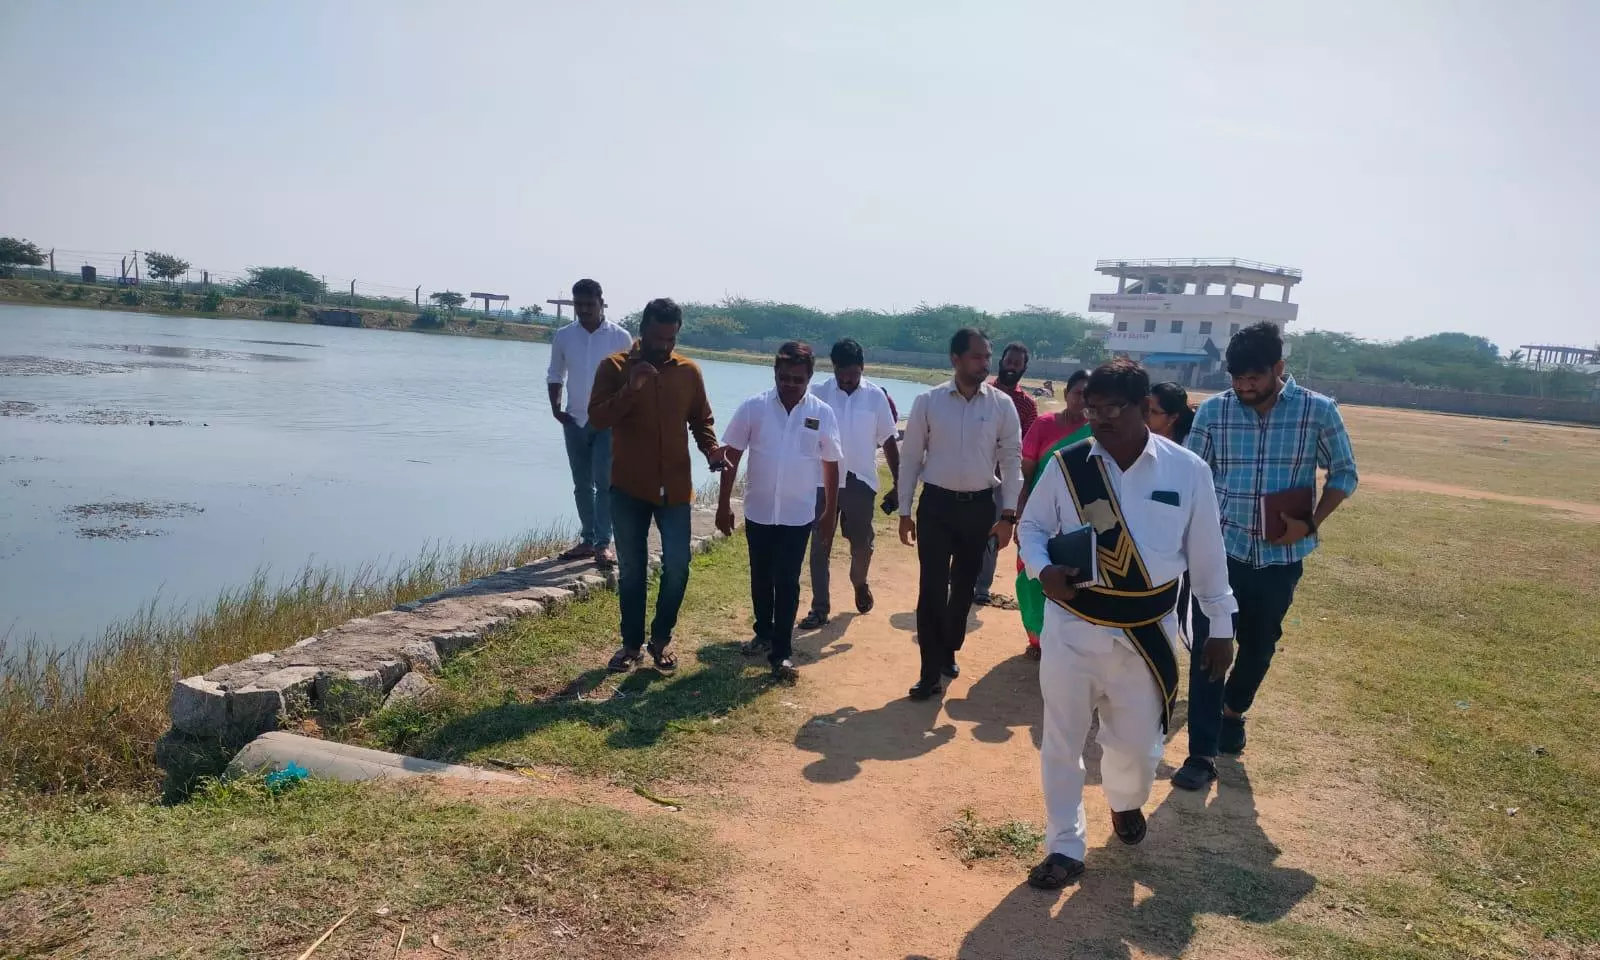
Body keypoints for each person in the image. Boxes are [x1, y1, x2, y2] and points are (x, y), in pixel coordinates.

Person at [1017, 359, 1237, 888]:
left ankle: (1124, 801)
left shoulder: (1187, 471)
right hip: (1072, 627)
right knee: (1062, 742)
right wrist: (1043, 569)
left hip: (1146, 634)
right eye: (1091, 409)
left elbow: (1207, 556)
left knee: (1137, 747)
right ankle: (1065, 845)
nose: (1097, 419)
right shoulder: (1069, 466)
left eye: (1111, 409)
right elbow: (1032, 527)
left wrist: (1222, 626)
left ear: (1145, 409)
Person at [1171, 322, 1359, 792]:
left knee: (1260, 645)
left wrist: (1311, 522)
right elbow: (1190, 477)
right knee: (1211, 648)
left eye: (1254, 377)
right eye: (1236, 378)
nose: (1243, 386)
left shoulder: (1318, 412)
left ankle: (1234, 710)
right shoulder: (1214, 413)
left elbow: (1344, 473)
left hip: (1281, 556)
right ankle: (1201, 752)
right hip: (1221, 553)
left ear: (1279, 368)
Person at [589, 298, 722, 674]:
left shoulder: (689, 372)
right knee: (632, 571)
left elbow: (701, 421)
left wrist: (711, 450)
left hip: (676, 489)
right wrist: (631, 388)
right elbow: (598, 418)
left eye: (671, 338)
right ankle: (630, 644)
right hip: (628, 488)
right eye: (658, 337)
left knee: (678, 566)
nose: (665, 345)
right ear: (643, 329)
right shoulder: (613, 367)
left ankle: (661, 640)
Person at [896, 328, 1023, 700]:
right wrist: (905, 510)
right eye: (977, 356)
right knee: (931, 589)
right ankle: (928, 670)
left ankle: (949, 646)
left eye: (987, 356)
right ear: (956, 359)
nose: (985, 363)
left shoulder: (1001, 405)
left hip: (979, 508)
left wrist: (1009, 516)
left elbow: (1011, 460)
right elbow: (910, 459)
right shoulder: (928, 401)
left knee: (964, 587)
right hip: (936, 506)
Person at [717, 342, 843, 681]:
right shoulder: (753, 407)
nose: (790, 384)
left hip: (797, 514)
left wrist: (830, 511)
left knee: (787, 579)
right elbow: (731, 456)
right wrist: (723, 504)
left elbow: (831, 463)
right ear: (775, 373)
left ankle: (782, 651)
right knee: (761, 575)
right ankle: (763, 630)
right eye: (784, 377)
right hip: (758, 510)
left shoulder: (821, 413)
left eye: (797, 379)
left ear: (809, 378)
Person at [798, 338, 900, 629]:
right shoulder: (817, 395)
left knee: (861, 544)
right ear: (833, 368)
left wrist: (898, 482)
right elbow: (805, 440)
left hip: (860, 481)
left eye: (852, 374)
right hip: (820, 481)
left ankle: (859, 582)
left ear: (862, 368)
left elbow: (889, 441)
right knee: (820, 544)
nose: (846, 380)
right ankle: (820, 608)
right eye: (841, 374)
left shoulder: (875, 397)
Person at [546, 278, 635, 567]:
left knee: (605, 483)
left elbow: (631, 381)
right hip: (574, 419)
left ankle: (602, 544)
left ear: (601, 303)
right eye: (579, 304)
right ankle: (586, 540)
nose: (584, 309)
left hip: (607, 421)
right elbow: (555, 374)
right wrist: (555, 408)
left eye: (589, 304)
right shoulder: (564, 336)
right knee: (581, 484)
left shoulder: (620, 337)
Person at [1012, 369, 1092, 660]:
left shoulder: (1098, 432)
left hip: (1077, 519)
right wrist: (1019, 515)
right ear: (1065, 394)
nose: (1081, 399)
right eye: (1077, 393)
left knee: (1073, 577)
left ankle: (1063, 640)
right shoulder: (1045, 425)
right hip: (1039, 514)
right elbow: (1027, 475)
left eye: (1087, 394)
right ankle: (1037, 638)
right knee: (1031, 574)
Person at [971, 343, 1038, 609]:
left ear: (1024, 368)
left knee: (993, 533)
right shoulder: (982, 392)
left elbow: (1028, 448)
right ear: (1001, 361)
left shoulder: (1027, 405)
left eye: (1017, 363)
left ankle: (982, 587)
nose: (1011, 366)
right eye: (1008, 361)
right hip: (973, 473)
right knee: (963, 528)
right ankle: (959, 577)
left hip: (1003, 479)